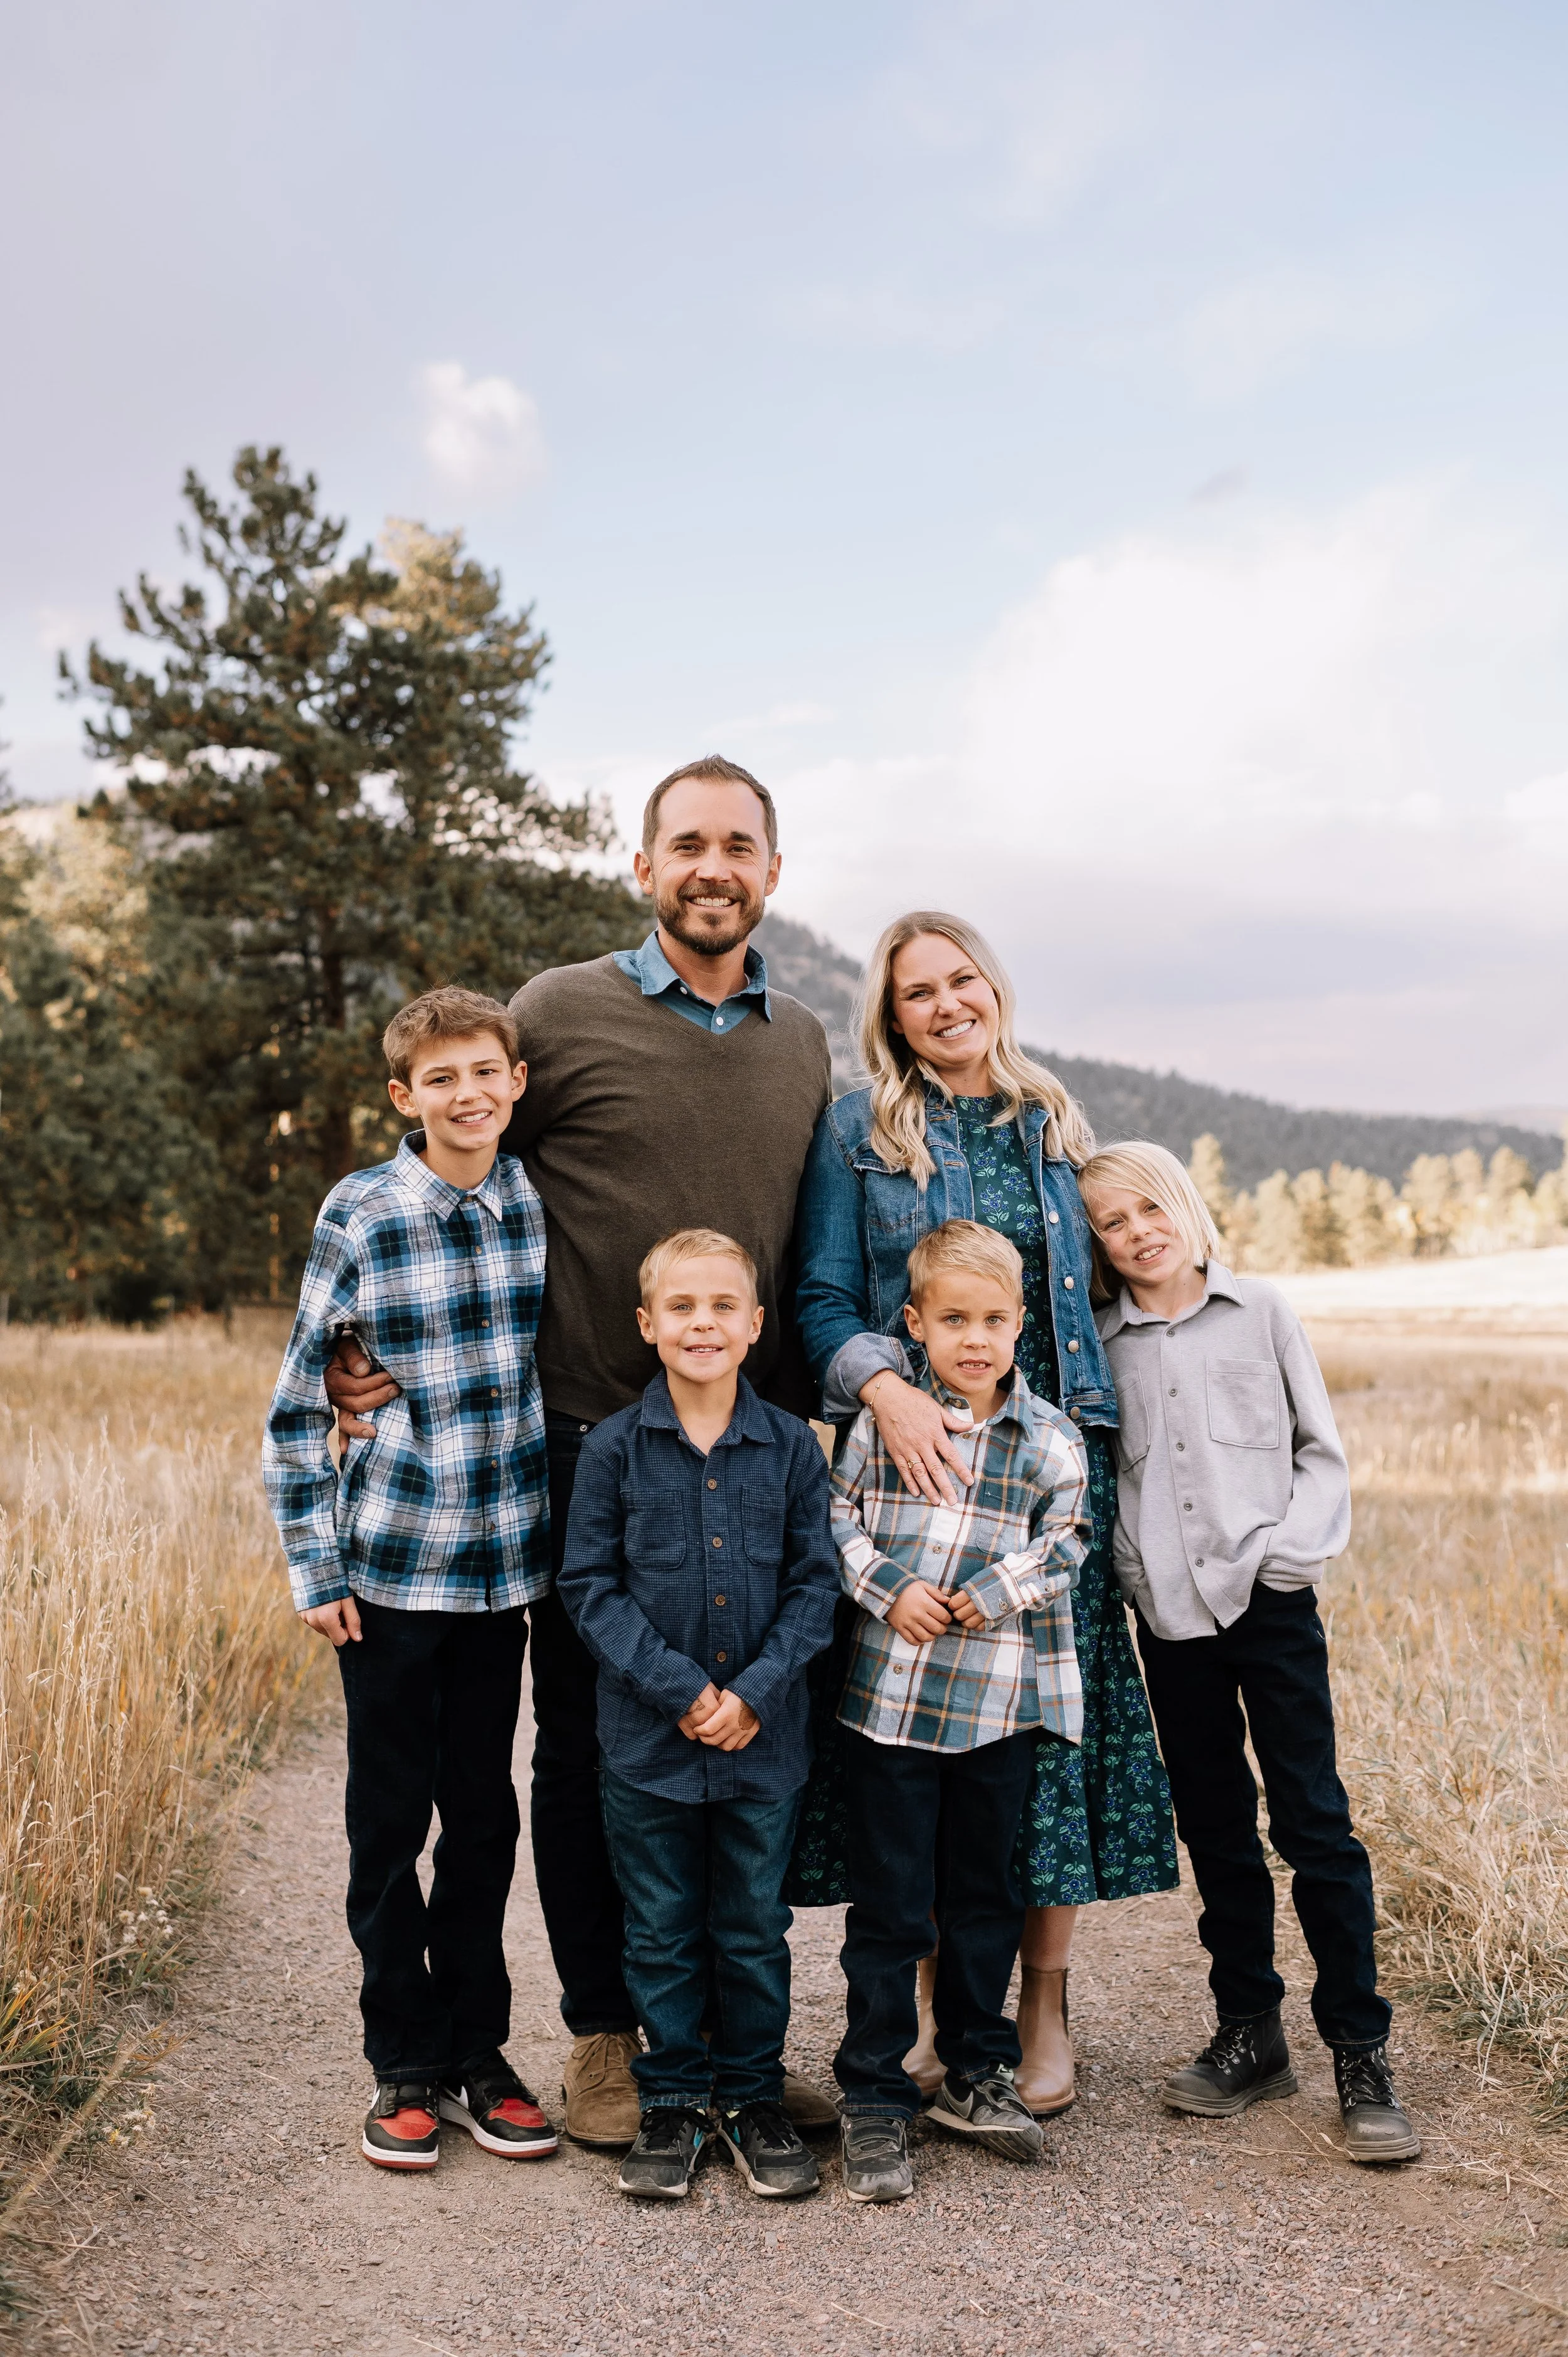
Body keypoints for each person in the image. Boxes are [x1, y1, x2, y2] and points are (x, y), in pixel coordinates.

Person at [324, 757, 836, 2144]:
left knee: (748, 1734)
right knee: (590, 1747)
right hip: (582, 1444)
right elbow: (458, 1166)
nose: (710, 866)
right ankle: (607, 2035)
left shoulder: (802, 1040)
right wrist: (363, 1351)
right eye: (686, 845)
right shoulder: (563, 1010)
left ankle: (725, 2044)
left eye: (738, 844)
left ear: (772, 872)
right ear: (643, 868)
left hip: (748, 1452)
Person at [795, 912, 1178, 2117]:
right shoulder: (861, 1129)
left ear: (995, 990)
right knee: (923, 1735)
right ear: (892, 1016)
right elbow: (818, 1296)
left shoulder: (1053, 1121)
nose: (947, 1004)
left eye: (964, 981)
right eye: (919, 992)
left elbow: (1122, 1265)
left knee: (1044, 1750)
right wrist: (888, 1392)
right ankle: (922, 2002)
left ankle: (1040, 2003)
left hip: (1055, 1463)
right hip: (923, 1468)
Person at [1078, 1140, 1420, 2164]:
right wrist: (1138, 1573)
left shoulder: (1261, 1311)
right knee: (1217, 1827)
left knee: (1314, 1819)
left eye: (1149, 1209)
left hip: (1270, 1608)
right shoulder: (1106, 1339)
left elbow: (1322, 1452)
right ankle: (1250, 2030)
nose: (1136, 1232)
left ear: (1184, 1205)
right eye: (1110, 1222)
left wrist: (1285, 1557)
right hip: (1170, 1617)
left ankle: (1360, 2049)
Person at [263, 987, 558, 2172]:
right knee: (389, 1824)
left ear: (517, 1081)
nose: (467, 1095)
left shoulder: (539, 1201)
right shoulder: (364, 1212)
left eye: (486, 1072)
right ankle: (404, 2061)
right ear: (404, 1097)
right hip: (389, 1570)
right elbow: (297, 1402)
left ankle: (480, 2050)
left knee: (484, 1816)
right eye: (441, 1079)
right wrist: (313, 1564)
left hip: (502, 1576)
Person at [556, 1230, 840, 2200]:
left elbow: (817, 1584)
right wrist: (682, 1692)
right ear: (647, 1325)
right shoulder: (612, 1451)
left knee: (754, 1926)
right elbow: (590, 1588)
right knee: (663, 1927)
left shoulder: (795, 1448)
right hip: (650, 1748)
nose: (703, 1323)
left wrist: (755, 1693)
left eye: (723, 1306)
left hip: (766, 1745)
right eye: (681, 1308)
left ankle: (753, 2096)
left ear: (757, 1325)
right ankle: (673, 2100)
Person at [829, 1220, 1088, 2201]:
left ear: (1021, 1324)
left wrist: (993, 1592)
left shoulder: (1049, 1438)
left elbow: (1067, 1544)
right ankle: (875, 2093)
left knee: (984, 1902)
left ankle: (978, 2075)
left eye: (992, 1320)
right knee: (893, 1909)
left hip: (994, 1712)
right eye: (952, 1320)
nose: (974, 1339)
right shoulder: (881, 1426)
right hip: (889, 1710)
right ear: (915, 1327)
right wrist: (888, 1587)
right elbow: (835, 1517)